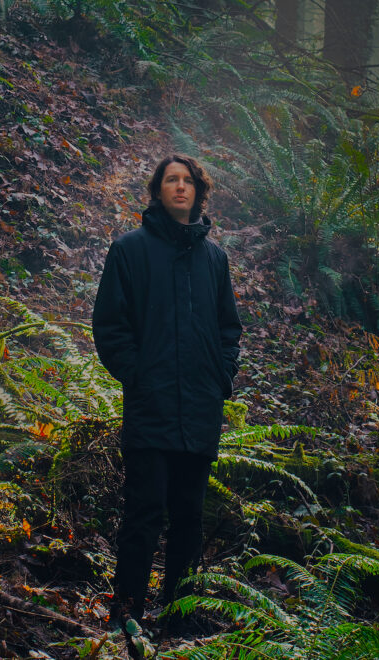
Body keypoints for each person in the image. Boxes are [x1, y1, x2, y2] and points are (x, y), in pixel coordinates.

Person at [92, 154, 242, 630]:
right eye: (171, 180)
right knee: (143, 514)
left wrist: (221, 377)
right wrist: (137, 376)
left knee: (189, 518)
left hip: (200, 408)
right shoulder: (129, 250)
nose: (180, 187)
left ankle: (180, 619)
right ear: (158, 190)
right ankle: (126, 616)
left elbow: (229, 329)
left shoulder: (215, 259)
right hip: (151, 405)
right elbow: (110, 326)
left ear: (199, 191)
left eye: (188, 181)